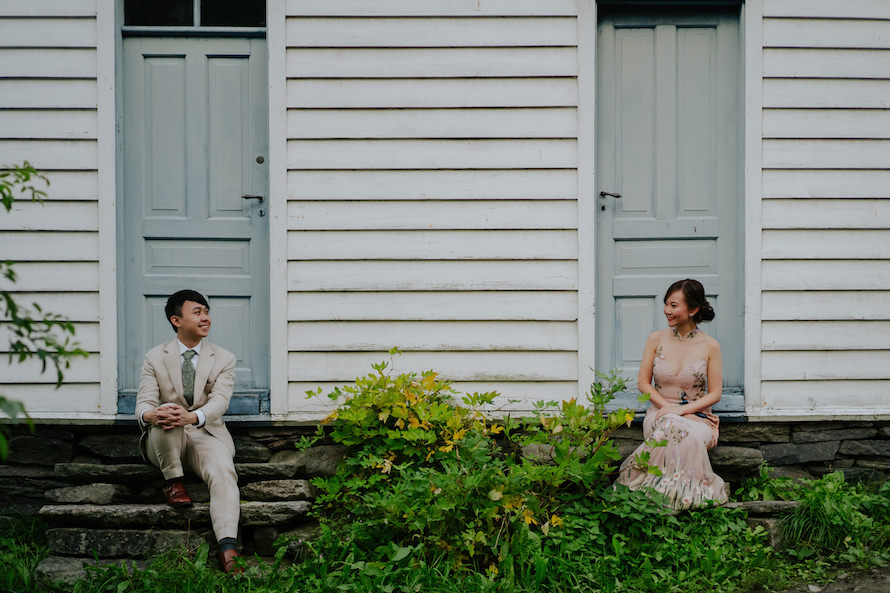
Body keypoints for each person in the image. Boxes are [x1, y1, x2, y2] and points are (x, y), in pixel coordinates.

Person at [135, 289, 242, 574]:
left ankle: (228, 548)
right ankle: (174, 481)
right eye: (197, 312)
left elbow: (219, 402)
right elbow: (144, 403)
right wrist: (153, 414)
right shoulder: (155, 357)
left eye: (207, 312)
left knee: (223, 470)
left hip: (206, 432)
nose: (205, 318)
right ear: (176, 320)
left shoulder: (225, 358)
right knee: (166, 414)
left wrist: (192, 416)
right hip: (166, 437)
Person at [615, 278, 728, 509]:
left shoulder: (710, 346)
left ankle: (671, 500)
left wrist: (682, 411)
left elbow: (715, 393)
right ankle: (673, 498)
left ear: (693, 309)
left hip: (698, 418)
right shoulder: (655, 339)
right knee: (670, 425)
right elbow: (643, 383)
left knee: (680, 428)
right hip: (659, 414)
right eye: (667, 304)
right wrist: (667, 409)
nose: (667, 310)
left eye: (674, 305)